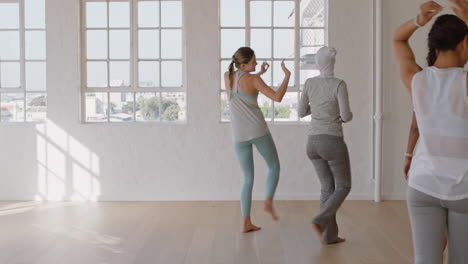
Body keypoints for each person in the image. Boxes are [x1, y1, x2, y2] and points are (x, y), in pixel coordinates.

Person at [393, 1, 468, 263]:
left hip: (422, 185)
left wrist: (419, 20)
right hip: (464, 190)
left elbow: (398, 40)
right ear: (464, 43)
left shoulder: (417, 79)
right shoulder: (464, 82)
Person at [224, 47, 291, 233]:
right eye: (253, 62)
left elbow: (242, 84)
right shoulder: (254, 79)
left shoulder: (227, 76)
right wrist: (287, 76)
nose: (256, 64)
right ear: (244, 64)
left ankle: (246, 222)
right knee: (274, 167)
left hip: (238, 136)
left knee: (247, 179)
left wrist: (258, 72)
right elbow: (277, 97)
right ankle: (268, 201)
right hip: (258, 131)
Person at [298, 46, 353, 244]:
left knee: (327, 188)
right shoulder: (339, 84)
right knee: (344, 186)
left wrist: (319, 106)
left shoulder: (309, 83)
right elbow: (346, 115)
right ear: (333, 63)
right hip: (332, 141)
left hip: (312, 143)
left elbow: (301, 111)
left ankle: (329, 237)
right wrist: (341, 114)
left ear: (318, 63)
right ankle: (320, 221)